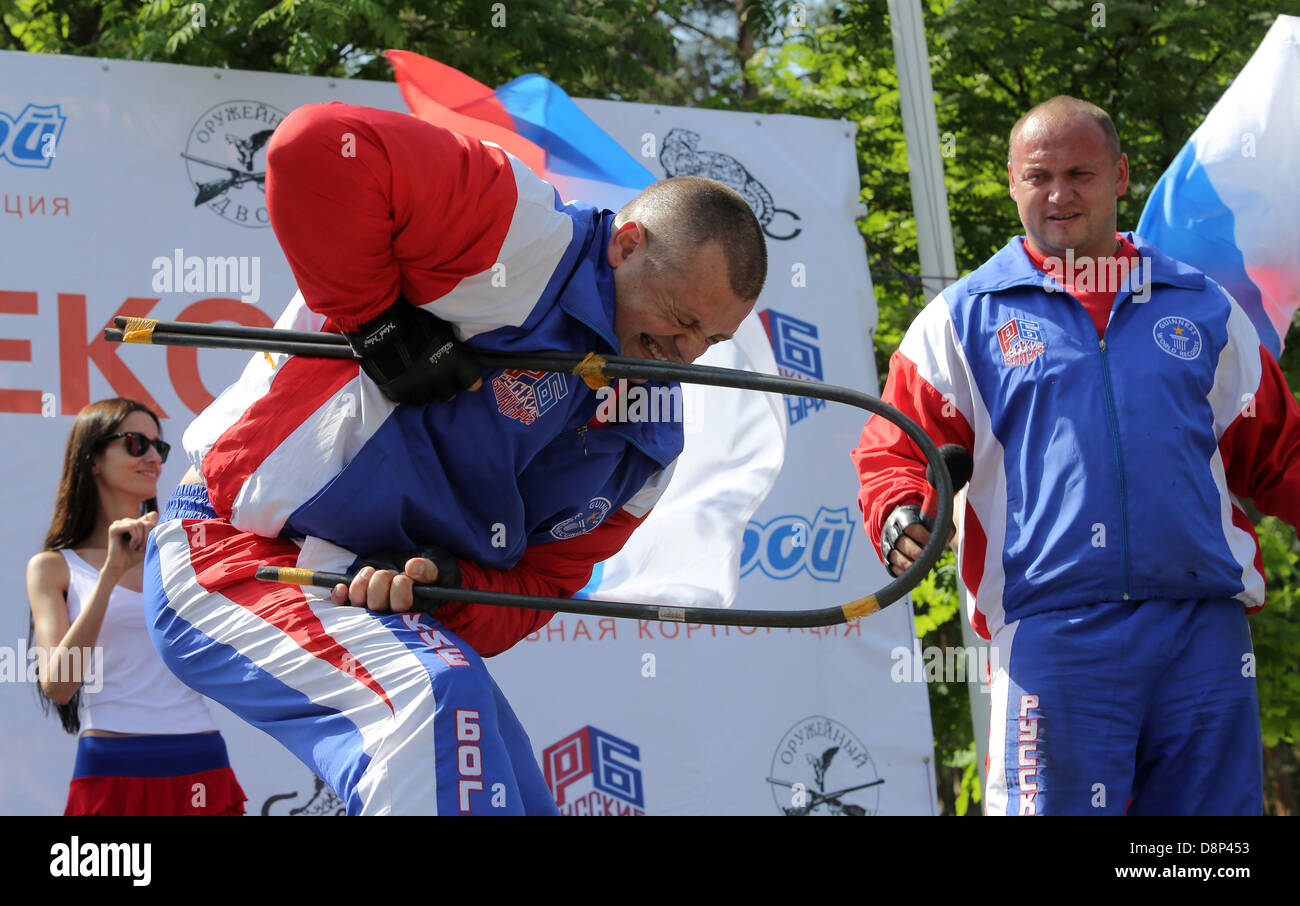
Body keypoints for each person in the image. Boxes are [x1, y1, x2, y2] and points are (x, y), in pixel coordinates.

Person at [143, 101, 767, 815]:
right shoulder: (522, 234)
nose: (685, 356)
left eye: (710, 342)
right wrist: (377, 322)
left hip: (370, 603)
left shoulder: (651, 441)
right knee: (435, 706)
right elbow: (317, 144)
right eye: (682, 320)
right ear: (626, 244)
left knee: (512, 793)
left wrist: (450, 586)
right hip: (234, 548)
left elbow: (535, 592)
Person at [852, 96, 1300, 816]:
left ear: (1120, 176)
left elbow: (1280, 450)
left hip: (1203, 630)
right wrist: (902, 513)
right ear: (1011, 183)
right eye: (1039, 175)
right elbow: (896, 448)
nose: (1059, 194)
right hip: (1054, 632)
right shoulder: (962, 317)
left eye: (1081, 173)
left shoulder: (1202, 304)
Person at [26, 398, 246, 816]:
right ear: (92, 459)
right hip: (111, 765)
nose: (152, 458)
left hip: (200, 760)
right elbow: (58, 686)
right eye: (134, 443)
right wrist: (110, 574)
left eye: (157, 447)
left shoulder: (182, 548)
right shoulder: (54, 567)